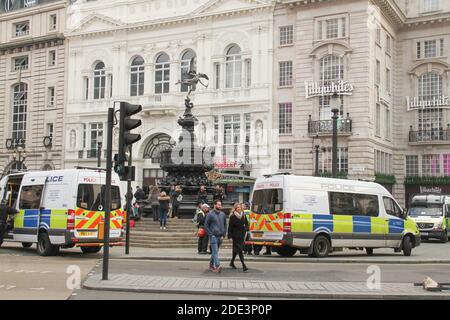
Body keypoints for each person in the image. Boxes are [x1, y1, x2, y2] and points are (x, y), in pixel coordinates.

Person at [204, 200, 227, 273]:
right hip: (213, 236)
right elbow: (206, 225)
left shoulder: (223, 214)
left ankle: (211, 265)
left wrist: (224, 234)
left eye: (220, 205)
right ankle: (218, 265)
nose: (219, 206)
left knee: (215, 252)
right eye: (218, 204)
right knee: (215, 252)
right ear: (214, 205)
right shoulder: (210, 214)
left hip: (220, 236)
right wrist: (211, 235)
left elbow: (225, 225)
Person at [228, 203, 248, 272]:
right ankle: (244, 265)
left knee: (235, 251)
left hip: (242, 235)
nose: (239, 208)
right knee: (240, 250)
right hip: (235, 236)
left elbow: (247, 224)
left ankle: (232, 262)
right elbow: (230, 227)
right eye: (237, 207)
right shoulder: (233, 216)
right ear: (235, 208)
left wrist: (245, 229)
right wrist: (230, 236)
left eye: (240, 207)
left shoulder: (243, 215)